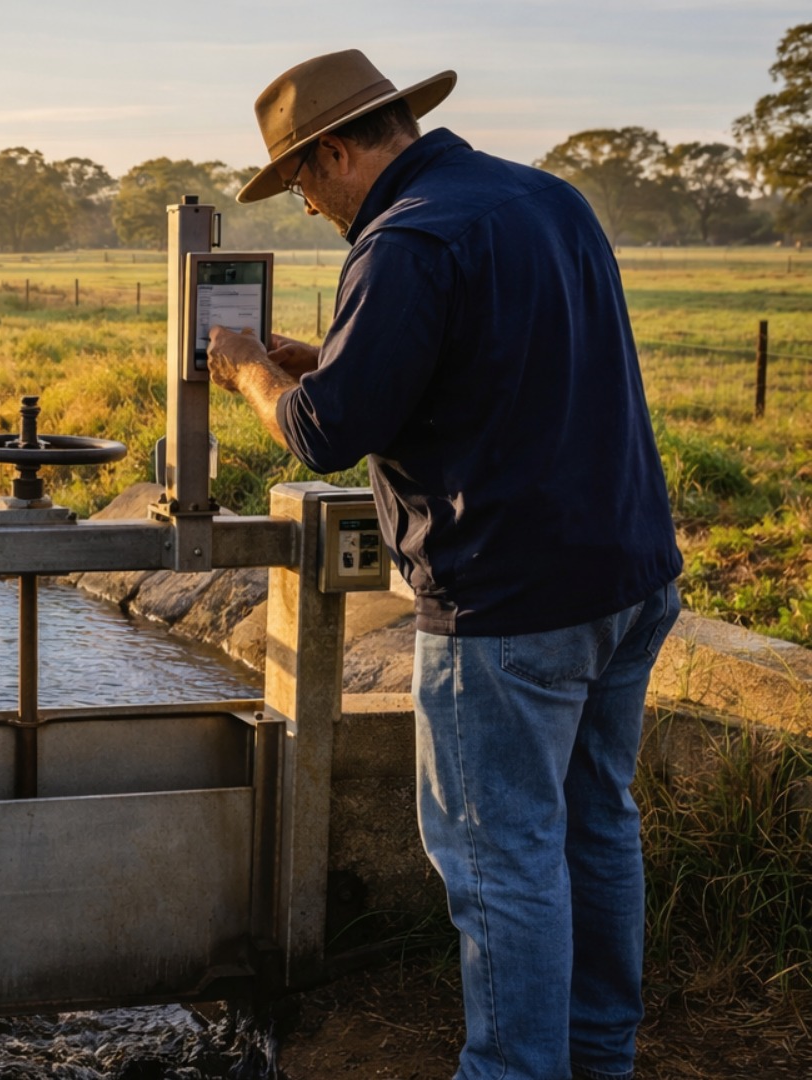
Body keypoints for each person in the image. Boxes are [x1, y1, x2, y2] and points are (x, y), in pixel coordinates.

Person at [203, 50, 683, 1080]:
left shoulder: (404, 240)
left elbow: (324, 435)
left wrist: (248, 371)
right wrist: (328, 358)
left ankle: (513, 1069)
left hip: (511, 606)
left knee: (497, 858)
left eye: (300, 185)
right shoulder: (545, 198)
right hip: (630, 577)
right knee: (598, 825)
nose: (309, 209)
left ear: (335, 152)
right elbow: (486, 363)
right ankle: (601, 1058)